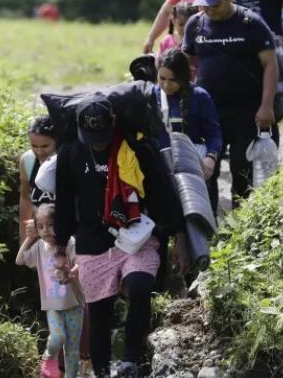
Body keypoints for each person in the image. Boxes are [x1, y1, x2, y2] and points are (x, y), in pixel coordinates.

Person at [53, 94, 185, 378]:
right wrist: (60, 248)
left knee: (139, 287)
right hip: (91, 242)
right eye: (91, 136)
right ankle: (102, 371)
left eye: (102, 134)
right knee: (99, 312)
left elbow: (162, 191)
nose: (97, 142)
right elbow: (64, 202)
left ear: (113, 121)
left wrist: (178, 236)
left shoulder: (136, 148)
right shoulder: (71, 152)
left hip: (135, 236)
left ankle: (130, 361)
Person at [182, 0, 278, 206]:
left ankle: (241, 228)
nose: (209, 10)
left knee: (241, 169)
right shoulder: (195, 24)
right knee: (206, 170)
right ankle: (210, 228)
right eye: (205, 5)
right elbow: (185, 65)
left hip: (246, 110)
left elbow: (270, 65)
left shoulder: (251, 23)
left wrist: (266, 106)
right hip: (208, 112)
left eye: (214, 4)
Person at [16, 204, 84, 378]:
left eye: (50, 225)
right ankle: (48, 357)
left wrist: (70, 271)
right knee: (57, 337)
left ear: (60, 223)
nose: (45, 230)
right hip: (53, 307)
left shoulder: (69, 243)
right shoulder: (39, 247)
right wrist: (30, 237)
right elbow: (19, 260)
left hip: (75, 305)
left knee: (72, 350)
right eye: (40, 226)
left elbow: (80, 264)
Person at [154, 49, 222, 210]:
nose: (166, 85)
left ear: (184, 77)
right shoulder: (151, 95)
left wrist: (210, 159)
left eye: (172, 80)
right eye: (162, 78)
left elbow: (214, 135)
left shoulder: (199, 97)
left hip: (194, 165)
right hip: (162, 168)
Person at [19, 116, 57, 242]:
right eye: (34, 146)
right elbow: (25, 198)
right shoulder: (27, 161)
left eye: (45, 146)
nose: (40, 152)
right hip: (40, 236)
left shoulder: (66, 161)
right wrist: (24, 238)